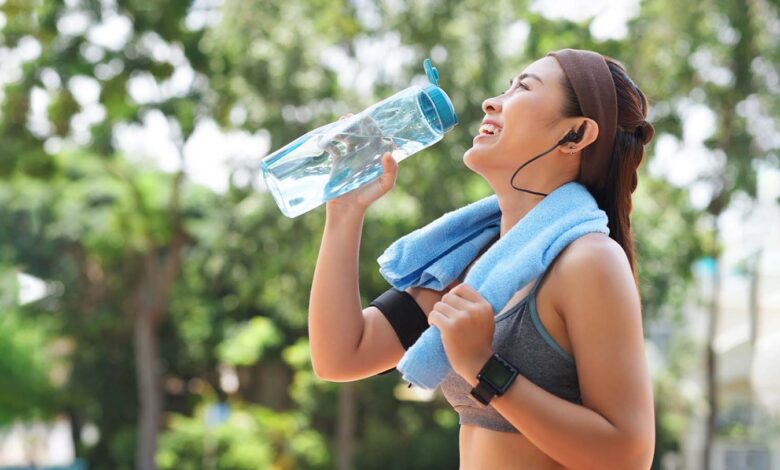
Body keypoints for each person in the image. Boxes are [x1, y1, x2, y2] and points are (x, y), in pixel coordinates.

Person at [308, 48, 656, 469]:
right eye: (506, 86)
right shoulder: (474, 261)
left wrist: (481, 366)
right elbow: (342, 356)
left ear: (576, 134)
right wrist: (344, 215)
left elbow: (628, 455)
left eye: (523, 87)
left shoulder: (589, 260)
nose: (492, 102)